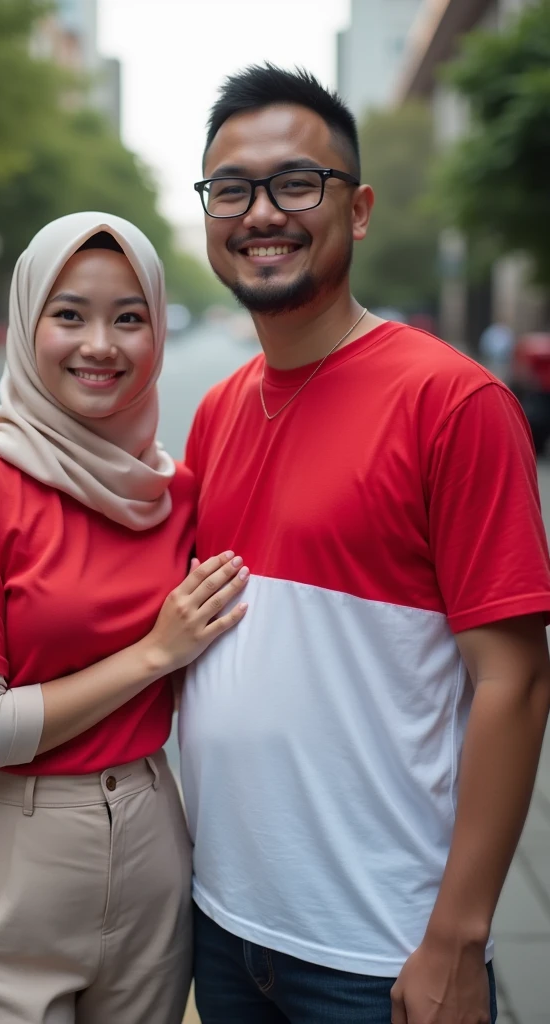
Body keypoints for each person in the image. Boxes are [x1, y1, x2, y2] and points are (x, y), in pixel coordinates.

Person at [180, 64, 550, 1024]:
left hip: (378, 954)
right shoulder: (217, 413)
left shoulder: (452, 402)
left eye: (298, 183)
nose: (263, 211)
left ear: (361, 208)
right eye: (233, 189)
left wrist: (458, 941)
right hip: (223, 932)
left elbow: (516, 681)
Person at [0, 211, 249, 1024]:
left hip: (154, 842)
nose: (102, 344)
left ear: (158, 331)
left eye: (130, 318)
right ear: (28, 324)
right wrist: (152, 655)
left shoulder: (173, 492)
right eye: (70, 315)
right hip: (11, 859)